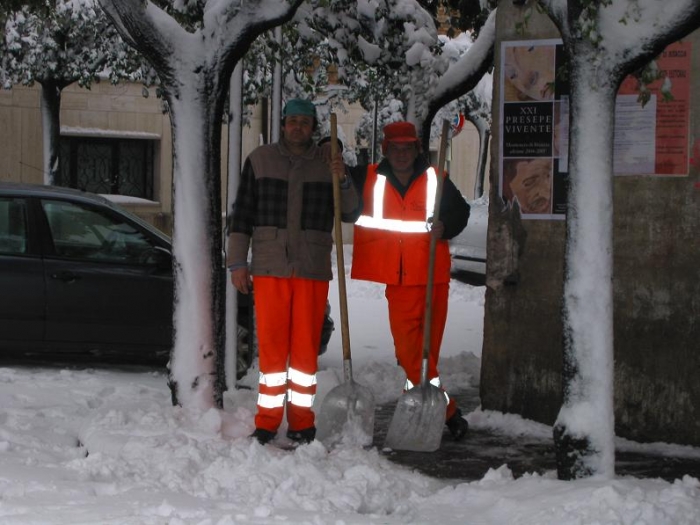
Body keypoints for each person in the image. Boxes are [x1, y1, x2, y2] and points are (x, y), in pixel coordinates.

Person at [226, 99, 361, 446]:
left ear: (313, 127)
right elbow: (241, 216)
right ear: (283, 124)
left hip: (311, 268)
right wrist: (238, 262)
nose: (298, 127)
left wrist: (342, 177)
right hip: (270, 267)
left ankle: (302, 422)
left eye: (304, 122)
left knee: (304, 352)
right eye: (292, 121)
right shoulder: (260, 160)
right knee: (272, 350)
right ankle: (267, 422)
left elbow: (351, 213)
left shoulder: (327, 164)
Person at [349, 121, 471, 442]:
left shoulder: (436, 179)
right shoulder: (368, 177)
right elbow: (341, 187)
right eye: (395, 148)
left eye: (407, 147)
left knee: (427, 351)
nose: (401, 154)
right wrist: (330, 154)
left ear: (417, 148)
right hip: (399, 280)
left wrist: (447, 224)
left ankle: (427, 407)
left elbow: (461, 212)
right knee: (408, 353)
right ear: (385, 150)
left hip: (432, 277)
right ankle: (448, 410)